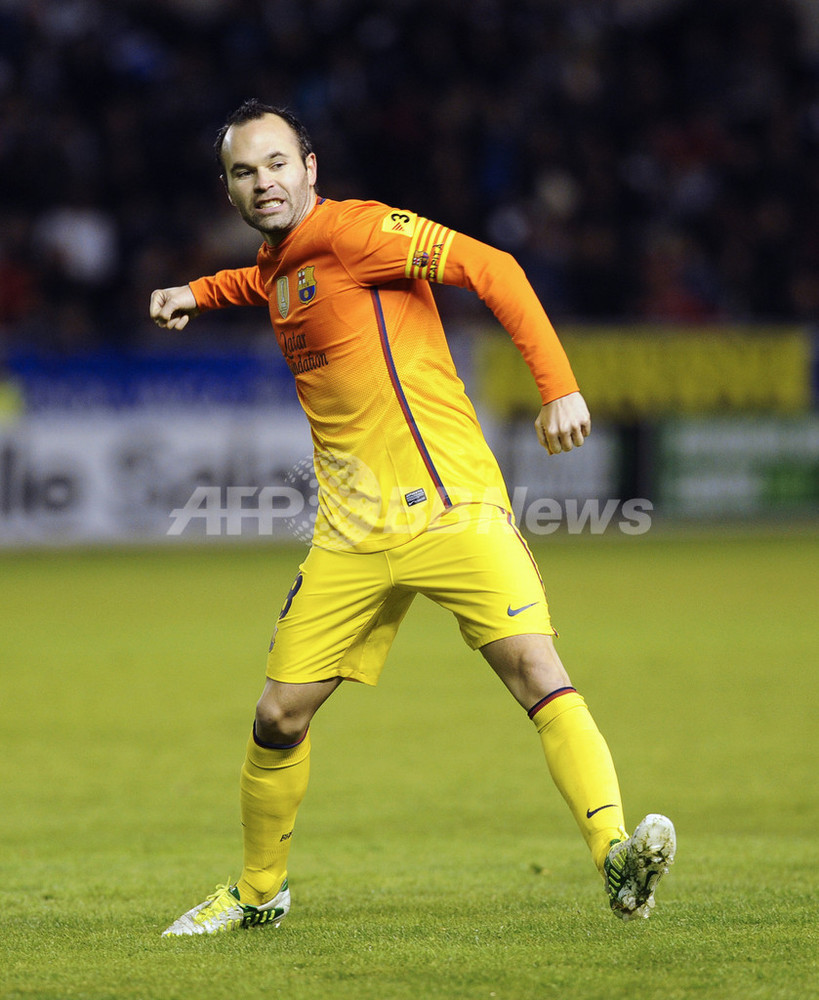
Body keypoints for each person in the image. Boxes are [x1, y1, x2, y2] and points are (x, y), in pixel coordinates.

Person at [151, 99, 675, 936]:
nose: (264, 182)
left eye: (277, 163)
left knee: (535, 672)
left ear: (309, 168)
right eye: (245, 172)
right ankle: (258, 896)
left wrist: (559, 385)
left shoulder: (359, 232)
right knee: (277, 715)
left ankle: (615, 855)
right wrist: (197, 292)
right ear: (230, 190)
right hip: (352, 531)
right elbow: (267, 281)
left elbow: (493, 268)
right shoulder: (280, 264)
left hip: (450, 506)